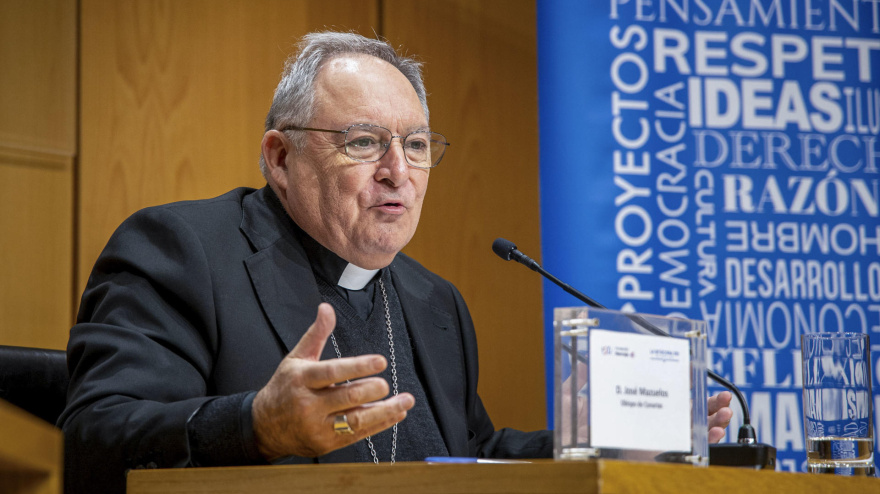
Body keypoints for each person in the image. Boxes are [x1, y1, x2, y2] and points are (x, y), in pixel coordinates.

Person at [59, 31, 732, 494]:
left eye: (415, 145)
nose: (397, 172)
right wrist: (255, 424)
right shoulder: (182, 251)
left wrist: (602, 446)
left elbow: (468, 454)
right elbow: (93, 440)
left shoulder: (432, 300)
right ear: (281, 157)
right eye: (363, 142)